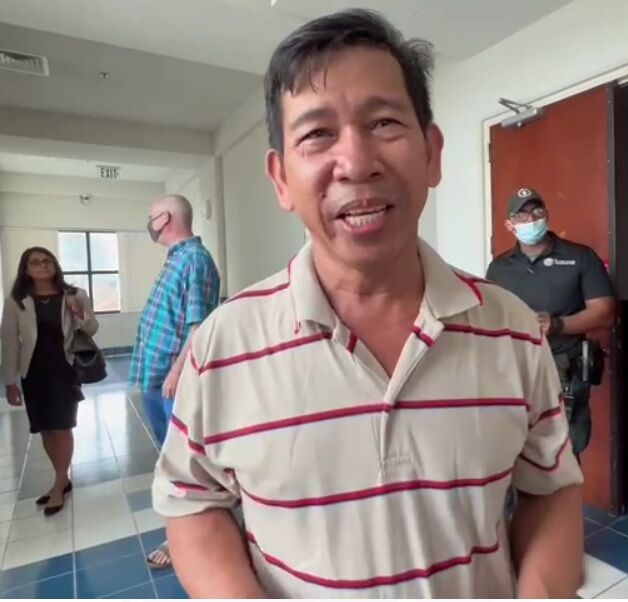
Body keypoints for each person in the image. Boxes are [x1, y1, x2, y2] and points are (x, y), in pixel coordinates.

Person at [152, 10, 583, 598]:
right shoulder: (224, 344)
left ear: (432, 153)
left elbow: (551, 484)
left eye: (383, 122)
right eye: (317, 134)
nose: (355, 163)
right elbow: (191, 502)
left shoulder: (510, 328)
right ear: (280, 179)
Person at [486, 187, 616, 459]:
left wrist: (556, 325)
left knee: (563, 453)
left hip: (564, 366)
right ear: (509, 225)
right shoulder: (499, 267)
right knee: (515, 449)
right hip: (514, 368)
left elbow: (604, 312)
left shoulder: (580, 257)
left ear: (547, 215)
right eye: (521, 216)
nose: (531, 219)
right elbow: (491, 315)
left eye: (537, 211)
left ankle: (564, 500)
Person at [130, 193, 220, 570]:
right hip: (158, 380)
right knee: (171, 462)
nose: (149, 223)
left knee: (183, 465)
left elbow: (199, 325)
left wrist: (177, 371)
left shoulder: (194, 260)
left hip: (173, 382)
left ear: (165, 218)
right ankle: (188, 529)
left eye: (151, 216)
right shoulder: (176, 260)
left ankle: (182, 537)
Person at [0, 247, 98, 516]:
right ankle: (61, 477)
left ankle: (58, 483)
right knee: (45, 428)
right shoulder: (17, 301)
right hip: (33, 372)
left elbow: (91, 329)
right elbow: (9, 342)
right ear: (26, 269)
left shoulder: (75, 295)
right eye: (36, 262)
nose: (43, 266)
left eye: (48, 261)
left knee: (62, 425)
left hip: (64, 369)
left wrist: (79, 313)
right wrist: (10, 381)